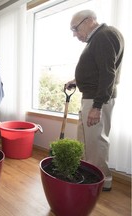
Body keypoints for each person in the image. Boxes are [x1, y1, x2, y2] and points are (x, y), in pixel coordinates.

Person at [65, 10, 124, 191]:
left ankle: (101, 181)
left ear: (89, 20)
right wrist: (77, 81)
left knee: (96, 142)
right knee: (87, 141)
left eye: (75, 29)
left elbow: (108, 74)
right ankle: (90, 175)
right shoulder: (99, 38)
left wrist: (97, 106)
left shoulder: (103, 36)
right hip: (93, 97)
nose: (75, 35)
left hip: (97, 100)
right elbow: (98, 69)